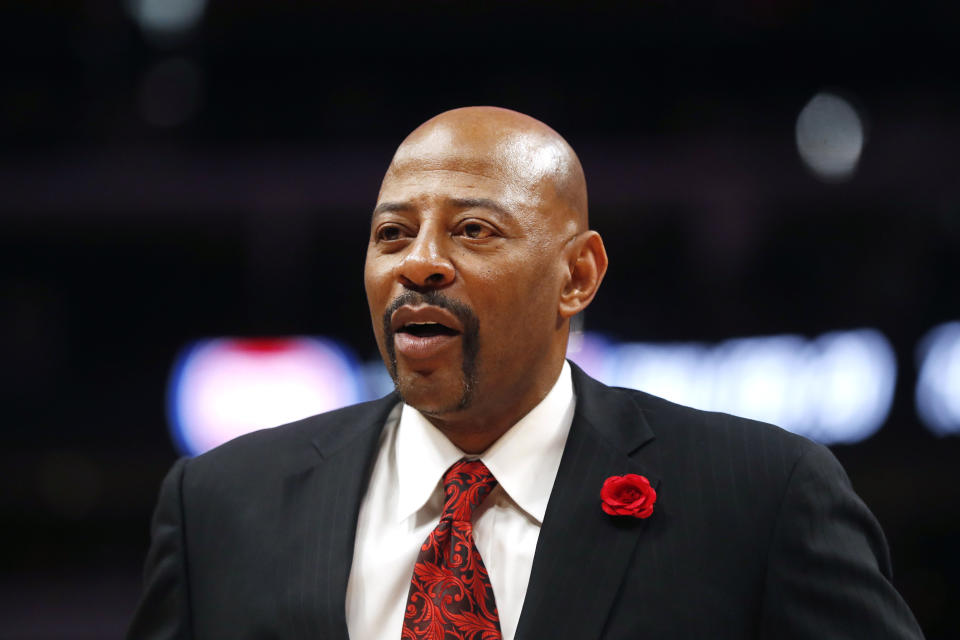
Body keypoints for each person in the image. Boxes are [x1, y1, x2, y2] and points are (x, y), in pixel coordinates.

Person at [128, 107, 924, 639]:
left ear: (577, 276)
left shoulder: (762, 497)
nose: (421, 263)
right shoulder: (219, 507)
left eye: (473, 230)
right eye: (392, 234)